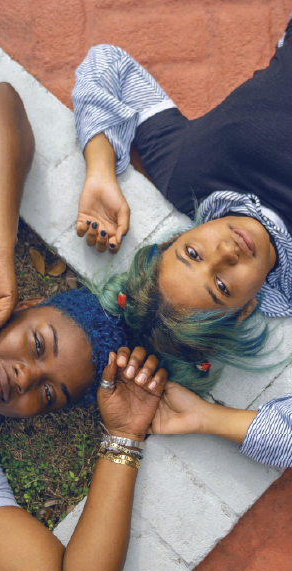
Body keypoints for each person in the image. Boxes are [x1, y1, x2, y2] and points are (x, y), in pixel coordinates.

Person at [0, 82, 168, 571]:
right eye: (37, 345)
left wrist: (122, 439)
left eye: (45, 396)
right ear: (21, 309)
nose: (25, 376)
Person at [72, 15, 292, 467]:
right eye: (223, 287)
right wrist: (209, 418)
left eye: (193, 253)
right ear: (245, 309)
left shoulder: (186, 174)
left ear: (178, 237)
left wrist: (98, 169)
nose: (226, 252)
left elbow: (108, 65)